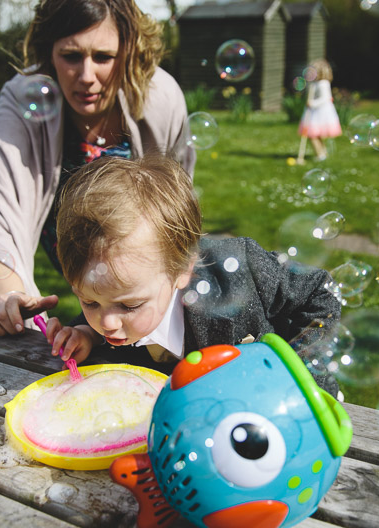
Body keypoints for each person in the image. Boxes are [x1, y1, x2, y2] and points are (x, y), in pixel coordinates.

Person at [0, 0, 195, 338]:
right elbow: (0, 210)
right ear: (50, 53)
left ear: (129, 50)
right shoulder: (21, 100)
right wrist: (9, 292)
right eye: (71, 56)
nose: (87, 77)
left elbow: (176, 214)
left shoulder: (161, 98)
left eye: (104, 57)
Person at [42, 154, 342, 396]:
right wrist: (86, 335)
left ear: (182, 270)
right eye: (88, 302)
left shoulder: (242, 270)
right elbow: (108, 312)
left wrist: (296, 372)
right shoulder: (116, 307)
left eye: (129, 305)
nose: (106, 322)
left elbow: (320, 293)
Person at [296, 59, 342, 164]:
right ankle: (323, 153)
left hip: (320, 113)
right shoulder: (315, 83)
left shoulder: (323, 84)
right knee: (316, 135)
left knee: (312, 135)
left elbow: (326, 98)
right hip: (314, 112)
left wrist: (312, 103)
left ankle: (320, 155)